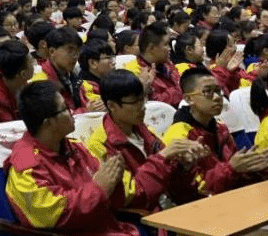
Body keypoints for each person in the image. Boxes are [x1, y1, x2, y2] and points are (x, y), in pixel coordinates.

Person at [5, 81, 180, 236]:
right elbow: (53, 215)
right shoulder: (25, 165)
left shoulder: (75, 147)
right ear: (48, 122)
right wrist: (100, 189)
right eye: (65, 109)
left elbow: (120, 195)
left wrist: (115, 183)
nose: (73, 112)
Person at [85, 71, 202, 211]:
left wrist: (184, 167)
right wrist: (162, 157)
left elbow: (172, 181)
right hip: (143, 217)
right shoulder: (100, 145)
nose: (142, 107)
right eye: (135, 102)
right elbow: (133, 196)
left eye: (143, 99)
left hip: (170, 207)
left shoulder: (145, 130)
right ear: (112, 105)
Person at [162, 68, 268, 197]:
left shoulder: (220, 127)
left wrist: (254, 168)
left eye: (218, 91)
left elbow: (234, 170)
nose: (217, 97)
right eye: (208, 92)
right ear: (189, 99)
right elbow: (191, 189)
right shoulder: (178, 136)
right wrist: (231, 168)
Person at [40, 26, 101, 113]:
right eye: (70, 51)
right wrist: (85, 111)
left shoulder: (71, 74)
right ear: (52, 51)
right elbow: (53, 116)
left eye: (77, 51)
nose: (75, 56)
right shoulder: (41, 81)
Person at [124, 24, 182, 107]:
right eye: (166, 44)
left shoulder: (166, 63)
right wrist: (182, 89)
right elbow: (155, 104)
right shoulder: (135, 71)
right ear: (151, 48)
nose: (169, 49)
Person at [78, 38, 115, 106]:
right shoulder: (87, 87)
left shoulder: (107, 78)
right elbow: (103, 108)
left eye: (113, 57)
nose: (113, 62)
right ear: (93, 63)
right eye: (108, 58)